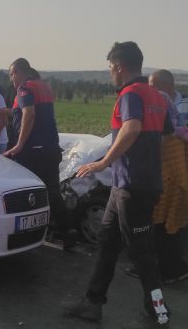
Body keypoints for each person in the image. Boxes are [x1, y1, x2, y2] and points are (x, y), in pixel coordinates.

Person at [67, 42, 171, 326]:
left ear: (119, 67)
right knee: (108, 242)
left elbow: (132, 127)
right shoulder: (159, 97)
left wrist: (103, 163)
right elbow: (164, 135)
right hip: (129, 184)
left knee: (143, 255)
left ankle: (159, 314)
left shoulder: (130, 94)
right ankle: (92, 303)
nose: (110, 73)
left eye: (110, 68)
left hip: (131, 187)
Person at [0, 58, 76, 249]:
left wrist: (19, 145)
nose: (11, 80)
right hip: (50, 148)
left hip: (32, 150)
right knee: (52, 191)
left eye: (11, 75)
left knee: (27, 193)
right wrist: (8, 112)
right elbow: (33, 113)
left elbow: (29, 114)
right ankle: (66, 231)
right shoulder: (44, 86)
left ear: (18, 72)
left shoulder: (24, 88)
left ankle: (27, 233)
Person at [149, 69, 188, 255]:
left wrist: (186, 149)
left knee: (182, 207)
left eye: (153, 85)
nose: (149, 89)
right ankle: (162, 251)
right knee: (159, 209)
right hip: (159, 168)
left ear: (167, 85)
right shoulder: (152, 103)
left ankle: (178, 252)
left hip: (184, 166)